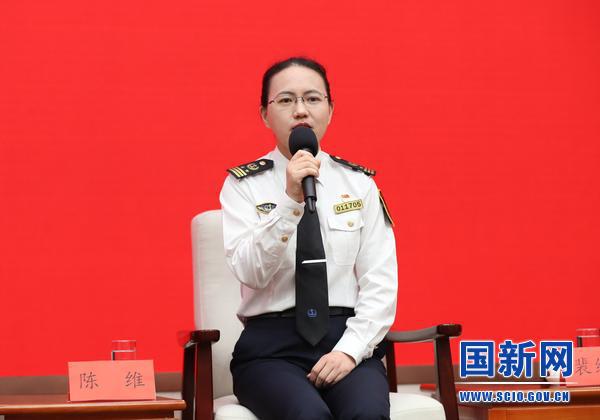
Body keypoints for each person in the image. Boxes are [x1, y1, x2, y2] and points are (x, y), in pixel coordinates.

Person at [219, 57, 398, 420]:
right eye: (286, 100)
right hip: (270, 350)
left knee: (366, 413)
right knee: (307, 415)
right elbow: (251, 273)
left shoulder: (359, 184)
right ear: (264, 114)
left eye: (313, 99)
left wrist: (349, 351)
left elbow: (380, 283)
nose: (300, 110)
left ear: (330, 110)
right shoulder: (243, 186)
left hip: (344, 338)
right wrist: (289, 202)